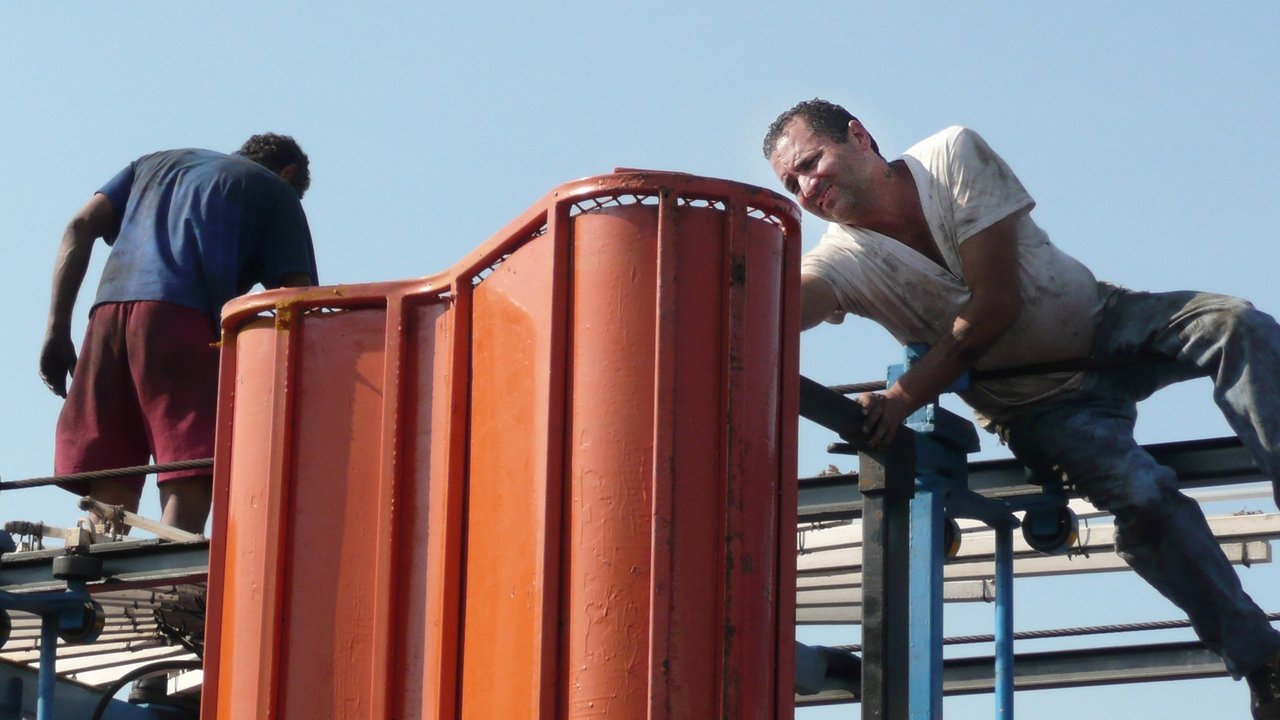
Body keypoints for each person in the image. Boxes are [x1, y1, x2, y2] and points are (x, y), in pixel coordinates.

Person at [764, 98, 1280, 719]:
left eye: (812, 164)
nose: (807, 187)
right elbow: (792, 303)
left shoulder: (951, 156)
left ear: (859, 136)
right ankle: (1262, 662)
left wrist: (904, 396)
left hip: (1104, 325)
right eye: (791, 184)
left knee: (1236, 325)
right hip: (1037, 408)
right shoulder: (842, 259)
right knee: (1142, 500)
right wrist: (740, 297)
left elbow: (996, 304)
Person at [39, 133, 319, 535]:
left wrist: (56, 330)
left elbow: (79, 226)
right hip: (180, 320)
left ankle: (96, 571)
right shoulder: (276, 189)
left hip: (105, 317)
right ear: (288, 172)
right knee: (189, 466)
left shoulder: (153, 163)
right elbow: (297, 298)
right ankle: (171, 578)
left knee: (114, 467)